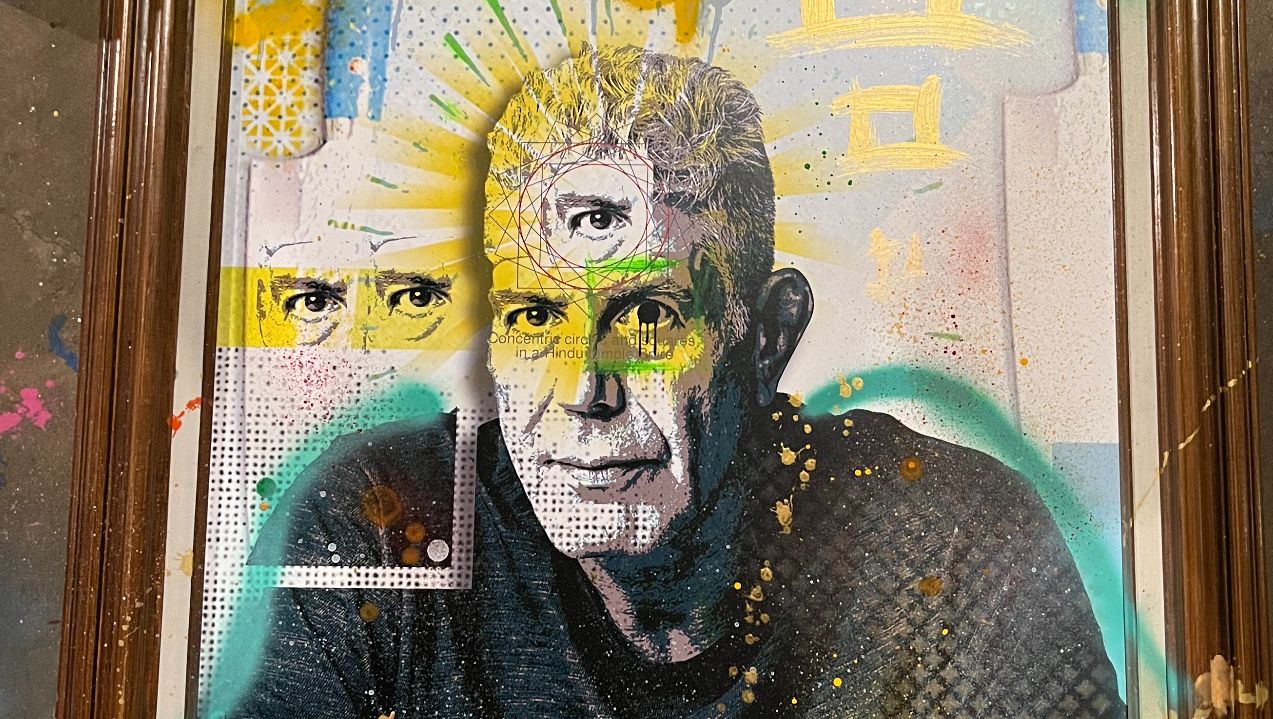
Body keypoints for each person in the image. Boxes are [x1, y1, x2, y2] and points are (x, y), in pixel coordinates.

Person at [222, 46, 1122, 718]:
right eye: (534, 317)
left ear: (767, 337)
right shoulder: (383, 522)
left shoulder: (953, 544)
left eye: (648, 315)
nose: (582, 389)